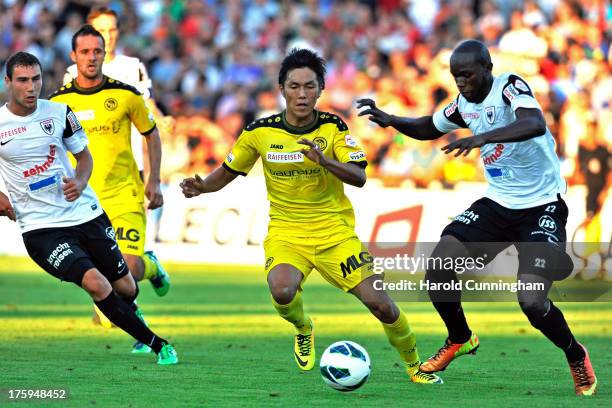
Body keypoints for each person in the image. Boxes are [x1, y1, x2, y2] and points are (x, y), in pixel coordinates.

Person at [180, 48, 442, 385]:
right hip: (288, 233)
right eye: (294, 86)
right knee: (282, 290)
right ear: (282, 89)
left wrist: (324, 161)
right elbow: (228, 171)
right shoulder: (260, 132)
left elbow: (359, 177)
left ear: (320, 90)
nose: (301, 94)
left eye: (309, 86)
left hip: (335, 233)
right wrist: (201, 187)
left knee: (381, 305)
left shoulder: (333, 127)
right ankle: (304, 327)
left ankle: (414, 366)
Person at [357, 39, 597, 396]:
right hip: (498, 204)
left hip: (542, 205)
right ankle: (460, 338)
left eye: (467, 75)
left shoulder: (510, 87)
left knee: (532, 300)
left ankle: (575, 354)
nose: (461, 83)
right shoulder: (462, 104)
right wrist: (391, 120)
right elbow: (429, 127)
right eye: (456, 77)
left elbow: (532, 123)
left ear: (487, 69)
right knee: (439, 266)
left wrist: (480, 138)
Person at [0, 51, 177, 365]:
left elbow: (84, 159)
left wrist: (80, 182)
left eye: (36, 79)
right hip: (40, 228)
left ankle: (143, 280)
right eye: (23, 80)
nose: (31, 87)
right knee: (96, 283)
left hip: (84, 213)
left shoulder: (58, 113)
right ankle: (156, 343)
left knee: (126, 287)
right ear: (8, 82)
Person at [49, 25, 169, 352]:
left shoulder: (126, 95)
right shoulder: (58, 103)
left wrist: (153, 179)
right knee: (108, 295)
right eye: (84, 52)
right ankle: (139, 310)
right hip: (83, 205)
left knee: (127, 268)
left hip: (124, 195)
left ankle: (150, 268)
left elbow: (151, 132)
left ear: (104, 54)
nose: (91, 57)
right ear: (73, 56)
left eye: (96, 51)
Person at [63, 6, 173, 180]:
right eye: (101, 30)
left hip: (129, 165)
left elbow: (148, 104)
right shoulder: (73, 73)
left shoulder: (133, 67)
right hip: (90, 169)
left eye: (112, 29)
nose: (108, 35)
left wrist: (161, 119)